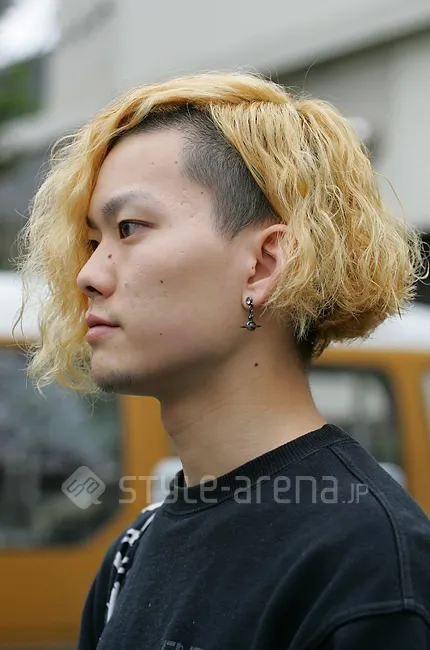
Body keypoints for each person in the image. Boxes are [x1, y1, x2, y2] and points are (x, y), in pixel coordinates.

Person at [16, 71, 430, 649]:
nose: (87, 274)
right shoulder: (133, 552)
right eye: (92, 241)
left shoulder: (368, 562)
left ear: (263, 265)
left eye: (129, 228)